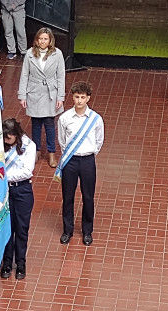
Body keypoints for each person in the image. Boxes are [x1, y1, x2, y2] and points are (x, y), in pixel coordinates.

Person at [56, 81, 104, 247]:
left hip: (88, 160)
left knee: (88, 196)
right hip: (70, 160)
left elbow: (99, 140)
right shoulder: (65, 118)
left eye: (83, 97)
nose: (79, 101)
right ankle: (67, 230)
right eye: (77, 97)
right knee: (67, 196)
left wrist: (89, 152)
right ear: (73, 98)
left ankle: (87, 231)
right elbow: (62, 140)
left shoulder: (96, 119)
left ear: (88, 98)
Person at [17, 27, 65, 168]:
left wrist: (60, 96)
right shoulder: (29, 54)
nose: (43, 41)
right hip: (34, 92)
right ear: (37, 40)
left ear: (50, 40)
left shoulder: (57, 54)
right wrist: (22, 95)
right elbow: (24, 75)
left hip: (51, 93)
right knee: (36, 124)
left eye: (46, 39)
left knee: (50, 124)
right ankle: (36, 150)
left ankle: (51, 153)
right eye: (41, 39)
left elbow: (61, 76)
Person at [0, 118, 35, 280]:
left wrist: (4, 176)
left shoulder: (29, 146)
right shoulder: (0, 145)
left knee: (21, 229)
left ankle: (21, 263)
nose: (6, 140)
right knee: (6, 228)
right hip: (4, 191)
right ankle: (6, 262)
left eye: (9, 137)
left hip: (22, 190)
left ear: (17, 134)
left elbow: (27, 171)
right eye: (5, 137)